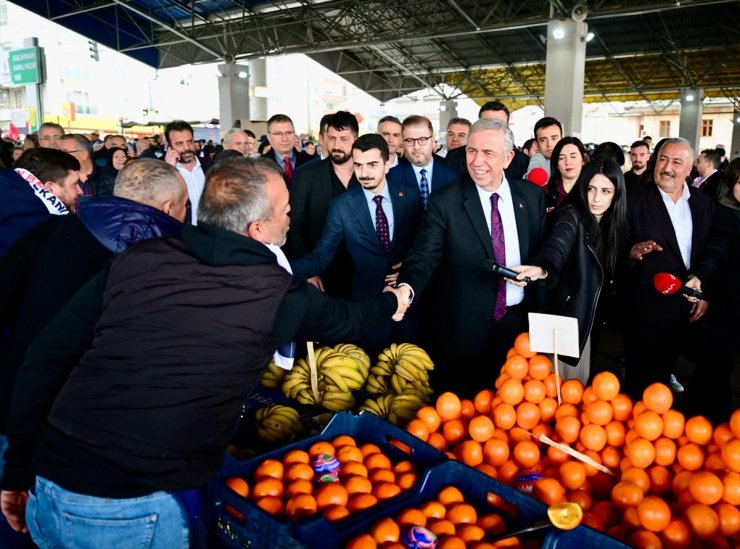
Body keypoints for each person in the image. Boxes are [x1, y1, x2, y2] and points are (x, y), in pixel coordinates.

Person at [0, 157, 409, 547]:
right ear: (258, 228)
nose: (291, 216)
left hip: (49, 479)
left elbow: (45, 360)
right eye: (285, 209)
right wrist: (395, 301)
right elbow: (349, 319)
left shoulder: (137, 259)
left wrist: (16, 468)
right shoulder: (277, 293)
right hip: (138, 506)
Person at [0, 159, 186, 477]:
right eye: (185, 206)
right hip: (89, 435)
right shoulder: (164, 265)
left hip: (18, 403)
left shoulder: (47, 230)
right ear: (169, 208)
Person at [397, 118, 546, 396]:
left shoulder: (532, 197)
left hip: (518, 328)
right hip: (462, 328)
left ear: (508, 157)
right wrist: (406, 288)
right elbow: (424, 254)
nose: (477, 161)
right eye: (471, 151)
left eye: (488, 152)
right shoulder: (446, 201)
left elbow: (543, 253)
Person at [290, 134, 423, 355]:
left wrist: (408, 263)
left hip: (408, 302)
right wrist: (281, 267)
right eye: (358, 165)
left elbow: (422, 242)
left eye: (372, 165)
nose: (364, 173)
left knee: (412, 371)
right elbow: (321, 256)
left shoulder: (408, 195)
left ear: (387, 164)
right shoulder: (342, 206)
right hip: (367, 305)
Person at [512, 157, 628, 383]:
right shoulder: (571, 215)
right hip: (563, 320)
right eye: (590, 189)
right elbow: (557, 245)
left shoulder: (611, 223)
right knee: (555, 397)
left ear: (617, 195)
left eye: (605, 191)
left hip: (586, 321)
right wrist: (542, 268)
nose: (596, 198)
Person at [622, 138, 715, 399]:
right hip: (645, 308)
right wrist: (631, 251)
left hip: (687, 307)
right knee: (640, 384)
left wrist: (705, 292)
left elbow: (710, 251)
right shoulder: (634, 200)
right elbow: (613, 245)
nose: (667, 167)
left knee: (668, 379)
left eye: (677, 162)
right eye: (663, 159)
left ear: (690, 169)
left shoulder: (703, 203)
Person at [683, 159, 740, 422]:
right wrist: (700, 277)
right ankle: (715, 425)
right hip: (724, 303)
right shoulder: (726, 214)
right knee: (716, 363)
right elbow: (717, 248)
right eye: (739, 182)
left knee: (716, 366)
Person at [285, 111, 360, 298]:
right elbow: (295, 226)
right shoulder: (306, 175)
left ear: (356, 139)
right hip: (322, 274)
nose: (336, 145)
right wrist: (309, 271)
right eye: (332, 138)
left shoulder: (367, 174)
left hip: (362, 274)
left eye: (344, 139)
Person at [0, 149, 82, 256]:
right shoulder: (42, 229)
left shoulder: (7, 183)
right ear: (50, 189)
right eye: (74, 184)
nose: (80, 191)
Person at [387, 115, 459, 211]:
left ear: (433, 142)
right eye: (409, 140)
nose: (416, 147)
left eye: (422, 139)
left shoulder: (452, 177)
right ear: (403, 143)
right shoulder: (391, 177)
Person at [446, 101, 529, 181]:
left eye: (499, 125)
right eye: (486, 124)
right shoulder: (454, 157)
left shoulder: (522, 161)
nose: (492, 130)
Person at [164, 120, 210, 224]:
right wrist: (170, 169)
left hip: (210, 234)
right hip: (180, 235)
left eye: (190, 142)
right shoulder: (162, 169)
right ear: (169, 146)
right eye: (179, 143)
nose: (186, 147)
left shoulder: (209, 166)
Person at [261, 114, 313, 186]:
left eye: (288, 133)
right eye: (278, 133)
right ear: (269, 137)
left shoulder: (311, 162)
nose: (284, 139)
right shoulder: (258, 166)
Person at [60, 134, 117, 198]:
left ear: (83, 155)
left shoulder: (112, 177)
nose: (59, 157)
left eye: (65, 153)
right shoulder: (58, 179)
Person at [545, 137, 587, 211]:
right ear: (557, 164)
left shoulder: (591, 190)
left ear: (583, 160)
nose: (567, 162)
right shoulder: (545, 192)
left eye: (573, 157)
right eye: (561, 158)